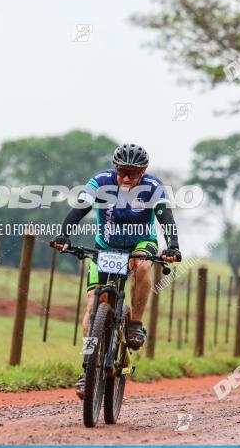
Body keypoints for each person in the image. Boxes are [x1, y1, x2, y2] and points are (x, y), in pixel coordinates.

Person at [52, 143, 181, 399]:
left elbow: (165, 217)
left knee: (143, 266)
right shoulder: (100, 181)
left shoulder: (154, 187)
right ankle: (87, 367)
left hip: (140, 243)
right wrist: (64, 233)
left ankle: (135, 323)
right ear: (115, 168)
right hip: (106, 246)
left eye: (132, 173)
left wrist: (173, 246)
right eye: (122, 171)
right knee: (92, 308)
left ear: (143, 171)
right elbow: (81, 207)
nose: (125, 178)